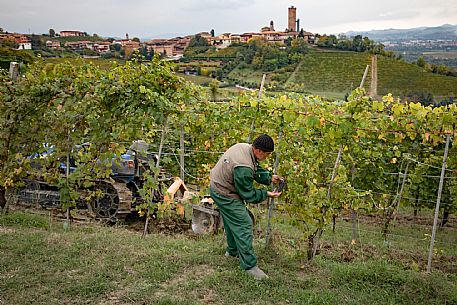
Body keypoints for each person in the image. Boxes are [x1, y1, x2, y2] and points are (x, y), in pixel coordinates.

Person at [209, 134, 281, 280]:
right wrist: (266, 194)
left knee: (231, 220)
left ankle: (233, 251)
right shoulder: (244, 167)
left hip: (217, 186)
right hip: (224, 192)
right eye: (267, 154)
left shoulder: (245, 148)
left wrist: (269, 177)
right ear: (259, 150)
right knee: (244, 222)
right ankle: (249, 266)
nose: (267, 156)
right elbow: (247, 194)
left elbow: (254, 168)